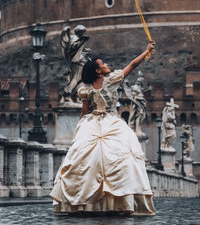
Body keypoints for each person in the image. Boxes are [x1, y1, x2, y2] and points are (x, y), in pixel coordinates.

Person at [50, 41, 156, 215]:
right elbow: (85, 111)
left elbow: (132, 64)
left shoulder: (112, 80)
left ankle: (116, 202)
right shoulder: (85, 90)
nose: (107, 65)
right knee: (91, 162)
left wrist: (147, 51)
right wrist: (79, 131)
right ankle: (92, 203)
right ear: (98, 71)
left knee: (117, 160)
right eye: (103, 64)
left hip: (111, 122)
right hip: (93, 124)